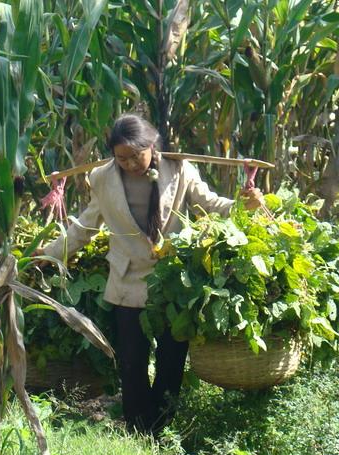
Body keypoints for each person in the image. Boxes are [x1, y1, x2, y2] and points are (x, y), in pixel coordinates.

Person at [35, 114, 264, 435]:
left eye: (135, 156)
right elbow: (85, 227)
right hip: (127, 284)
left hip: (173, 284)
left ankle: (159, 428)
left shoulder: (180, 169)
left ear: (151, 146)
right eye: (121, 158)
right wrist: (50, 253)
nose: (129, 164)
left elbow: (211, 204)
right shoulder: (101, 178)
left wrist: (244, 204)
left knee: (171, 363)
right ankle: (138, 430)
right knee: (132, 363)